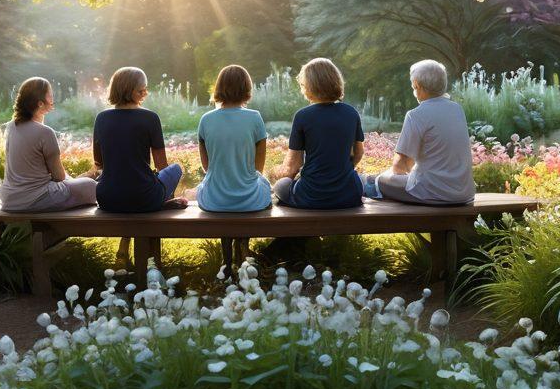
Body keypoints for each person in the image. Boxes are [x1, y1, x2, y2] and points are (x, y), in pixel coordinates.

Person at [363, 59, 475, 205]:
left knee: (376, 181)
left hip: (432, 193)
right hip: (463, 194)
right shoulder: (457, 109)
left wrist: (388, 175)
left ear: (417, 84)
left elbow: (400, 166)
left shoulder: (416, 115)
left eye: (413, 87)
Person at [195, 65, 271, 272]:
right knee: (259, 183)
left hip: (214, 200)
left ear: (219, 88)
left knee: (215, 184)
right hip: (251, 201)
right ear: (247, 88)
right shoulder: (255, 117)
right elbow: (258, 169)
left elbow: (206, 166)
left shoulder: (206, 119)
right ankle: (243, 248)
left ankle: (226, 257)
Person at [273, 58, 366, 209]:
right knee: (361, 179)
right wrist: (340, 173)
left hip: (311, 194)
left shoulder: (303, 116)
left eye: (303, 85)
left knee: (281, 185)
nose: (302, 90)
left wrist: (287, 181)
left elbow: (294, 165)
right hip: (348, 194)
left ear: (310, 86)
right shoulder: (351, 113)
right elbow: (359, 153)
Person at [93, 66, 186, 213]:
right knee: (175, 169)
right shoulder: (150, 118)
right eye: (142, 90)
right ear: (131, 91)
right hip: (145, 198)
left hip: (107, 199)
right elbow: (162, 165)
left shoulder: (101, 118)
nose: (145, 93)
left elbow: (99, 163)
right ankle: (163, 203)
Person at [0, 77, 97, 212]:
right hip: (36, 199)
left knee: (76, 183)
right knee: (91, 185)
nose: (53, 99)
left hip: (9, 200)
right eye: (50, 95)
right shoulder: (45, 132)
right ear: (40, 103)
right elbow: (59, 177)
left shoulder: (10, 127)